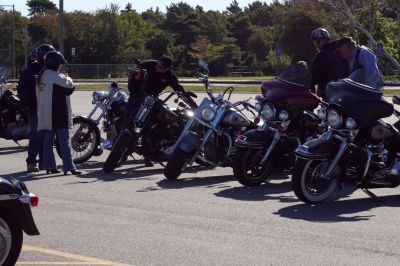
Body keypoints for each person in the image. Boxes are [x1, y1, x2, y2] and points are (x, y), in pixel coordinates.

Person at [125, 55, 195, 167]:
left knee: (150, 124)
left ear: (167, 69)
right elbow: (133, 77)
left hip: (152, 99)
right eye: (158, 65)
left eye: (162, 67)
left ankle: (148, 154)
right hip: (137, 95)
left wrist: (192, 103)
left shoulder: (169, 75)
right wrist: (134, 92)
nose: (159, 68)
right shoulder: (147, 65)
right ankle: (122, 150)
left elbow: (178, 88)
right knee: (127, 120)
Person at [36, 51, 81, 175]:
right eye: (60, 63)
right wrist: (67, 76)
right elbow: (70, 87)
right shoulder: (55, 76)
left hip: (45, 113)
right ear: (56, 63)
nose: (61, 66)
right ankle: (69, 167)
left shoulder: (42, 75)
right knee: (64, 141)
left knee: (48, 141)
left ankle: (49, 166)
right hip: (58, 113)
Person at [17, 44, 56, 172]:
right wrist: (26, 106)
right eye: (48, 56)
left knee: (47, 135)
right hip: (35, 108)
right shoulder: (31, 70)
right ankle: (31, 162)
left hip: (48, 107)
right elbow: (22, 90)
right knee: (36, 135)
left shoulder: (51, 70)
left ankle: (44, 162)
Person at [310, 28, 349, 100]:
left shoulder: (321, 55)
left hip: (327, 95)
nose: (314, 44)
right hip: (345, 94)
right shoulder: (341, 53)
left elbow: (313, 77)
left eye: (314, 41)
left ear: (319, 40)